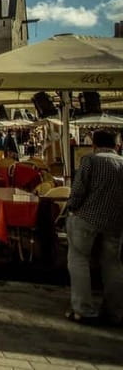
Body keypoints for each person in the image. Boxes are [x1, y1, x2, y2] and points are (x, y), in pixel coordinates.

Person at [64, 129, 123, 325]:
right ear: (117, 145)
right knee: (113, 265)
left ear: (94, 145)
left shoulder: (91, 160)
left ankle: (83, 309)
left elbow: (78, 190)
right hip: (114, 221)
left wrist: (70, 208)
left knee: (79, 260)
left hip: (86, 218)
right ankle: (115, 311)